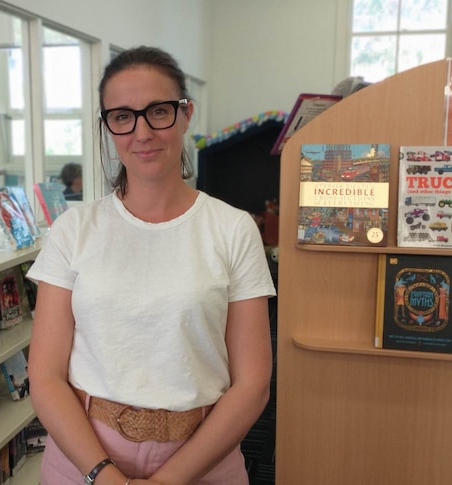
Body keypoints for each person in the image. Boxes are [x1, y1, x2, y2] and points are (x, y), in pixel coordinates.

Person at [26, 46, 276, 485]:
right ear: (107, 125)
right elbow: (45, 377)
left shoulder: (232, 229)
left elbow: (252, 383)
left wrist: (168, 480)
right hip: (84, 456)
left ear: (185, 114)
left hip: (203, 455)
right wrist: (103, 475)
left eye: (158, 111)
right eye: (122, 116)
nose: (141, 132)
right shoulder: (74, 229)